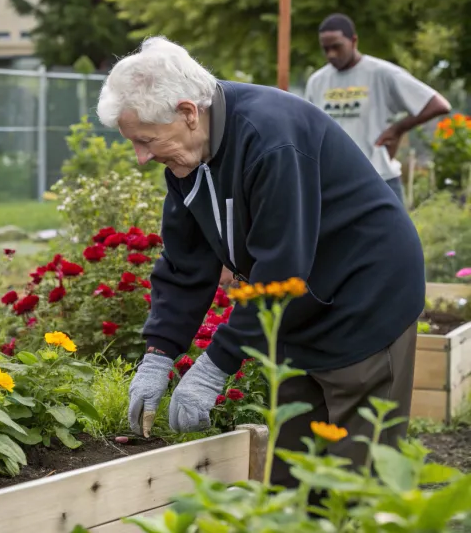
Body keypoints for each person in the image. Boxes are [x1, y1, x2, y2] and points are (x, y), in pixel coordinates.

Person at [97, 36, 425, 487]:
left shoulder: (270, 140)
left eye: (147, 140)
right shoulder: (187, 157)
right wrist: (159, 354)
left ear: (188, 112)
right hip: (300, 305)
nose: (141, 156)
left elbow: (281, 269)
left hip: (366, 293)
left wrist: (214, 367)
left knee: (358, 476)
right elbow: (185, 263)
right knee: (293, 471)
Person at [305, 13, 451, 205]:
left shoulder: (382, 73)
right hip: (335, 183)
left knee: (395, 236)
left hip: (378, 179)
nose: (331, 54)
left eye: (337, 47)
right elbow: (310, 128)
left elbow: (438, 104)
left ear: (354, 40)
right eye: (326, 49)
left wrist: (398, 129)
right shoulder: (318, 81)